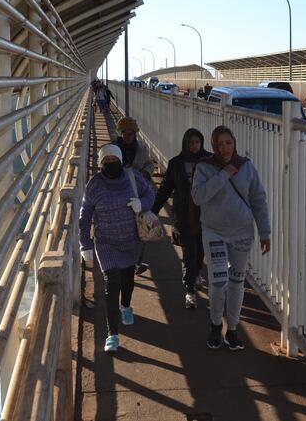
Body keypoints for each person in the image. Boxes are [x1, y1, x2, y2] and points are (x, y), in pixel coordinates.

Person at [191, 125, 270, 351]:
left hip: (242, 232)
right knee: (218, 281)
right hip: (214, 231)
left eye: (229, 143)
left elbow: (258, 200)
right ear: (214, 146)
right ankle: (216, 325)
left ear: (234, 143)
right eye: (220, 144)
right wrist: (223, 175)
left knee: (236, 282)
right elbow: (198, 197)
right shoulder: (205, 167)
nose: (225, 148)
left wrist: (265, 232)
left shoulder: (246, 167)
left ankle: (232, 330)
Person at [79, 144, 155, 353]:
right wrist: (85, 244)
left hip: (131, 240)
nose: (110, 165)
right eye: (106, 162)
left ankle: (126, 306)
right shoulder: (94, 185)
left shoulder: (133, 178)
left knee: (128, 279)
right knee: (112, 284)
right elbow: (85, 216)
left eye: (114, 161)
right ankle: (112, 334)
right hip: (106, 243)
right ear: (100, 164)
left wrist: (142, 203)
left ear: (121, 161)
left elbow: (150, 195)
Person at [151, 128, 212, 309]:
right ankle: (190, 290)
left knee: (200, 250)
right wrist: (153, 209)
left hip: (205, 216)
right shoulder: (176, 163)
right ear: (186, 143)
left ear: (201, 143)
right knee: (189, 252)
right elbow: (165, 189)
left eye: (197, 142)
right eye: (191, 143)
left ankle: (197, 273)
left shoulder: (209, 161)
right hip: (183, 216)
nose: (194, 146)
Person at [112, 116, 155, 275]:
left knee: (141, 229)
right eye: (125, 132)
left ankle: (136, 262)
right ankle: (122, 260)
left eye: (131, 133)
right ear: (120, 132)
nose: (128, 135)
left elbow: (150, 164)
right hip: (118, 195)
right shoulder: (113, 149)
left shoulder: (142, 148)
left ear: (136, 133)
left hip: (138, 193)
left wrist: (145, 174)